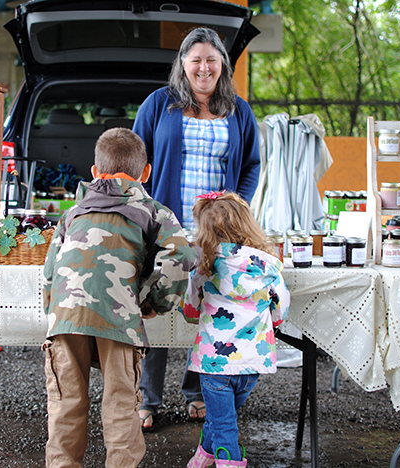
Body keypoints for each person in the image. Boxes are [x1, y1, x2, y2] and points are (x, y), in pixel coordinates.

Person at [41, 127, 199, 468]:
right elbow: (182, 257)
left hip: (65, 317)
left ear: (95, 172)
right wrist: (154, 302)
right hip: (119, 316)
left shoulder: (72, 213)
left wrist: (54, 315)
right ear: (146, 173)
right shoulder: (154, 211)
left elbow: (50, 273)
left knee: (65, 403)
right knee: (121, 405)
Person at [132, 26, 261, 431]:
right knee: (156, 305)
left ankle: (195, 393)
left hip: (216, 232)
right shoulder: (159, 104)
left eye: (211, 59)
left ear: (222, 64)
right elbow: (137, 158)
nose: (204, 68)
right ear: (183, 65)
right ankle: (147, 399)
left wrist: (233, 208)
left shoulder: (238, 110)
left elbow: (253, 164)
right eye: (196, 60)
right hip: (166, 226)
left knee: (209, 310)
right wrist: (143, 211)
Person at [181, 191, 290, 468]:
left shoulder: (203, 268)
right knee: (222, 419)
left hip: (214, 365)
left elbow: (189, 310)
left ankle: (225, 461)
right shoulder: (268, 266)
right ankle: (203, 457)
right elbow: (280, 311)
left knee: (225, 427)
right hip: (253, 362)